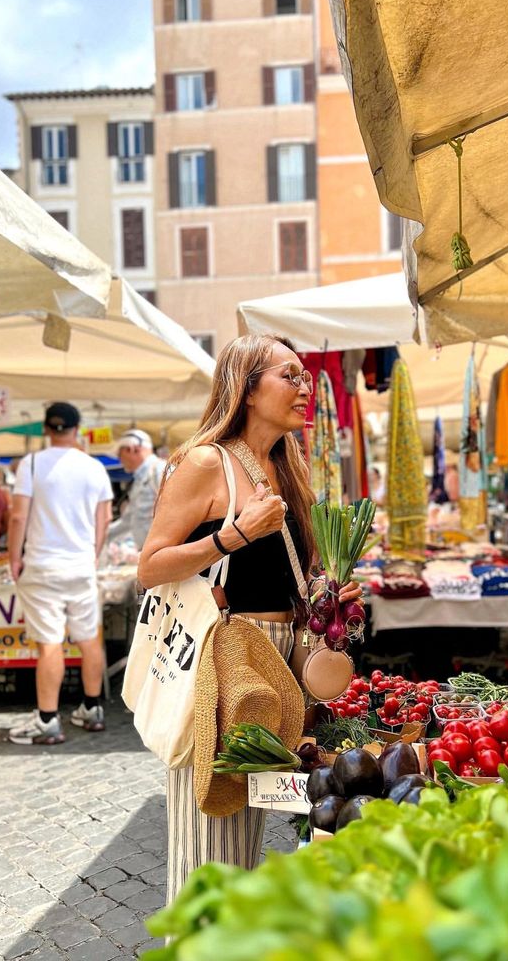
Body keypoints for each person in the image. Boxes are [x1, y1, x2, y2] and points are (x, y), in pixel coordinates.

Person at [137, 334, 363, 900]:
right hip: (225, 654)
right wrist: (234, 534)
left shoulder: (286, 466)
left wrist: (325, 593)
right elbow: (151, 566)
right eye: (290, 375)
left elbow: (286, 569)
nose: (304, 387)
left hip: (278, 660)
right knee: (207, 852)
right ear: (246, 386)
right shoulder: (205, 462)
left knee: (244, 841)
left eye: (305, 376)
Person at [7, 403, 113, 744]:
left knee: (49, 643)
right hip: (80, 565)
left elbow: (18, 517)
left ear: (45, 429)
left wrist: (13, 557)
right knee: (88, 639)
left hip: (42, 565)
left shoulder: (32, 463)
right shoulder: (94, 467)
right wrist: (92, 555)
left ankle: (48, 720)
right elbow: (105, 518)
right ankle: (92, 708)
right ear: (77, 429)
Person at [106, 429, 166, 550]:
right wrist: (102, 534)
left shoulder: (159, 471)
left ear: (132, 449)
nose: (120, 460)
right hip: (149, 554)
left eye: (119, 454)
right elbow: (128, 520)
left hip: (161, 553)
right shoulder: (140, 479)